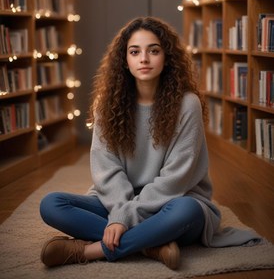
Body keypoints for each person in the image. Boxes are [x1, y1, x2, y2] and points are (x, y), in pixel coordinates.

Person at [40, 16, 261, 270]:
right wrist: (122, 211)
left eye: (153, 51)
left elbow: (177, 179)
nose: (144, 58)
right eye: (135, 52)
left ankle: (90, 251)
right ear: (125, 59)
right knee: (52, 204)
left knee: (187, 210)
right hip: (119, 200)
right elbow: (106, 169)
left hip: (172, 203)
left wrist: (123, 219)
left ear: (166, 57)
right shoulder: (106, 105)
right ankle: (151, 244)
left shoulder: (187, 104)